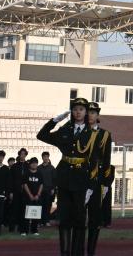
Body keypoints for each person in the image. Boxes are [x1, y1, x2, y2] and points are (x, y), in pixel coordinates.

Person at [37, 97, 96, 256]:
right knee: (64, 220)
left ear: (86, 112)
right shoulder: (65, 130)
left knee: (79, 220)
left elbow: (94, 163)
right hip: (64, 179)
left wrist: (91, 186)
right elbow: (41, 135)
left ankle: (77, 252)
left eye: (81, 109)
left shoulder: (92, 134)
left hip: (81, 179)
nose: (78, 112)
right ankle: (65, 252)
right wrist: (55, 121)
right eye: (75, 109)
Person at [83, 103, 113, 256]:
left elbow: (107, 159)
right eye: (88, 112)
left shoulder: (105, 135)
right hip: (81, 179)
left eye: (93, 112)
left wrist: (106, 183)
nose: (90, 115)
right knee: (79, 218)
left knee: (94, 219)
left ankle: (91, 251)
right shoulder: (80, 132)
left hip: (98, 180)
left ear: (98, 115)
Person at [21, 158, 44, 236]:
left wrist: (38, 195)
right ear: (30, 164)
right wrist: (30, 195)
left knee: (35, 213)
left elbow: (41, 185)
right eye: (33, 163)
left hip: (37, 197)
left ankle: (34, 230)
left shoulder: (39, 174)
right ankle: (24, 230)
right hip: (27, 197)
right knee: (26, 213)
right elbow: (25, 185)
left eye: (36, 163)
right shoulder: (26, 173)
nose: (34, 164)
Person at [38, 152, 55, 225]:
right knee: (40, 205)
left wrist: (53, 188)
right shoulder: (39, 168)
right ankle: (40, 221)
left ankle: (47, 221)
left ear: (48, 157)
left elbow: (54, 179)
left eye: (47, 156)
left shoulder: (52, 168)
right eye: (44, 156)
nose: (45, 158)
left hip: (49, 190)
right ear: (42, 157)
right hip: (40, 190)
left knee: (48, 206)